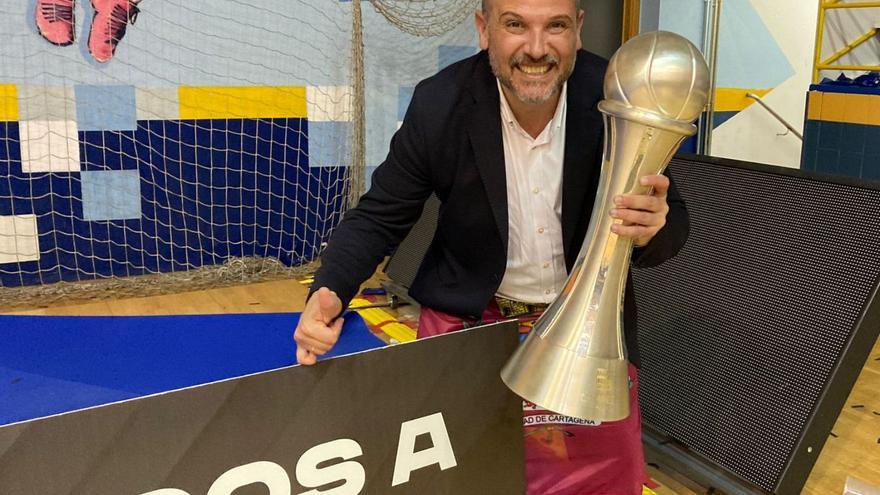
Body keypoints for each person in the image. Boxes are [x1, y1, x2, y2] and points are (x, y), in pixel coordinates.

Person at [294, 0, 689, 493]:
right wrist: (330, 288)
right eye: (516, 25)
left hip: (587, 335)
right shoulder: (441, 103)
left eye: (556, 26)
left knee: (605, 481)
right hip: (468, 325)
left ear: (579, 30)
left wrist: (653, 228)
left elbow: (671, 223)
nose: (537, 48)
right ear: (485, 30)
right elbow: (381, 213)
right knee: (456, 478)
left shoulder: (617, 94)